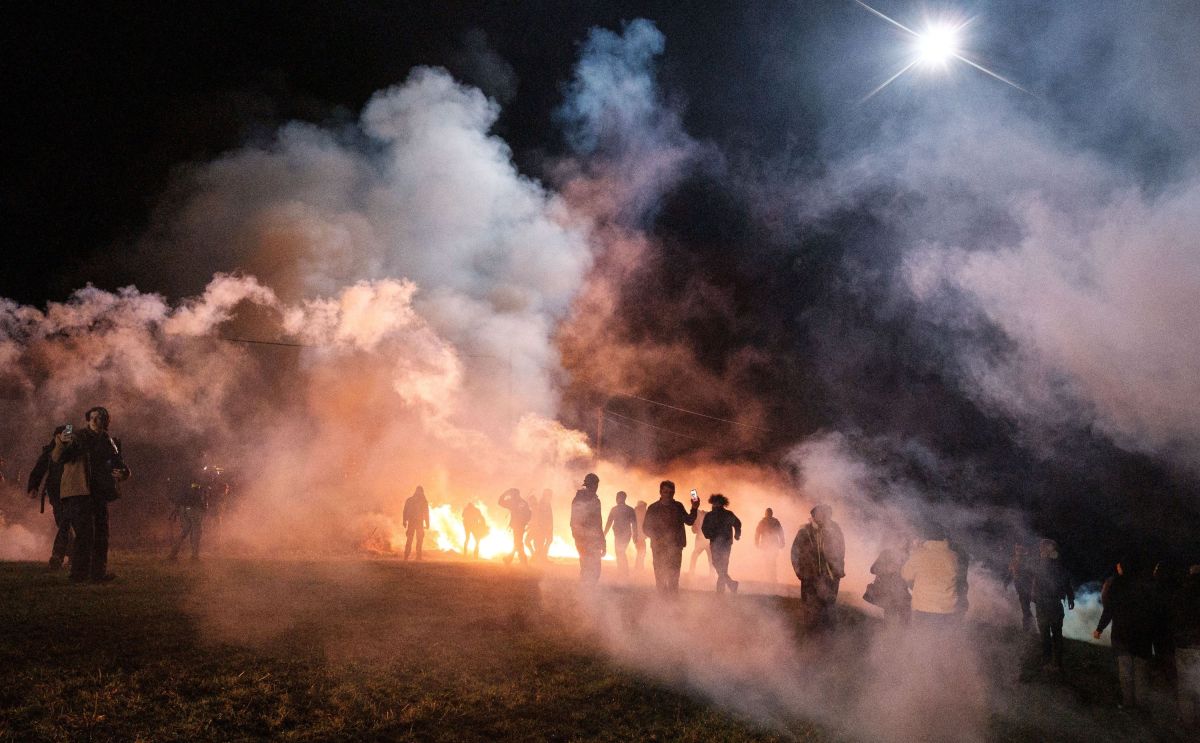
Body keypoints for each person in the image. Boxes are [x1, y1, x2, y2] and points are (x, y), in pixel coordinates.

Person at [52, 406, 130, 583]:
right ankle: (78, 575)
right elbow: (58, 458)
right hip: (79, 491)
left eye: (100, 418)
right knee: (85, 534)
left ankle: (98, 574)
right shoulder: (77, 436)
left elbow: (120, 464)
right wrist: (60, 442)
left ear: (106, 422)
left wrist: (124, 473)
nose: (95, 421)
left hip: (99, 492)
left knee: (102, 534)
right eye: (93, 417)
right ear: (88, 420)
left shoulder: (108, 441)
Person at [1093, 555, 1155, 709]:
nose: (1118, 568)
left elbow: (1109, 609)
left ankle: (1128, 703)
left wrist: (1099, 629)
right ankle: (1142, 705)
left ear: (1123, 568)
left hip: (1123, 635)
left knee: (1126, 671)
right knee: (1141, 672)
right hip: (1143, 636)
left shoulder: (1117, 584)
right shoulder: (1147, 584)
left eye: (1119, 566)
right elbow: (1154, 611)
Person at [791, 504, 845, 629]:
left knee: (828, 605)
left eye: (826, 514)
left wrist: (838, 569)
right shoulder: (805, 531)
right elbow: (795, 552)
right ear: (813, 516)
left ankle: (827, 636)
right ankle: (810, 635)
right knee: (810, 606)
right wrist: (799, 571)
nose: (824, 516)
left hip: (830, 575)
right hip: (809, 575)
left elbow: (841, 550)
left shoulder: (835, 530)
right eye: (820, 514)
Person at [901, 526, 966, 628]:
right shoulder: (953, 556)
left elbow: (905, 574)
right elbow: (960, 580)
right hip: (949, 609)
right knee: (945, 641)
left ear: (925, 537)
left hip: (923, 608)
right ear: (944, 537)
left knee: (923, 640)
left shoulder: (919, 555)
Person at [642, 481, 699, 594]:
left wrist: (694, 507)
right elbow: (646, 528)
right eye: (665, 492)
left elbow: (689, 521)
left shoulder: (678, 506)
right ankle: (662, 602)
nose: (668, 494)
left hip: (675, 547)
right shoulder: (653, 508)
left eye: (670, 492)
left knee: (673, 576)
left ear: (674, 493)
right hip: (658, 547)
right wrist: (658, 538)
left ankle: (673, 603)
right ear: (660, 492)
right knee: (660, 575)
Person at [26, 426, 70, 569]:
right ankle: (73, 555)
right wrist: (33, 487)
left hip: (73, 493)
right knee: (63, 523)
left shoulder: (74, 449)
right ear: (57, 436)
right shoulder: (50, 452)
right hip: (57, 493)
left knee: (65, 524)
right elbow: (39, 469)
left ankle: (58, 555)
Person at [1030, 539, 1074, 672]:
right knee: (1056, 635)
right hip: (1053, 605)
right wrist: (1071, 598)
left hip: (1046, 605)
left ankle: (1049, 662)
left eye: (1042, 549)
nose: (1040, 551)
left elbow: (1036, 584)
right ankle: (1056, 664)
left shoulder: (1043, 566)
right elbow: (1067, 583)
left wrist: (1034, 597)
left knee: (1046, 635)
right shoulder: (1059, 566)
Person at [701, 494, 742, 593]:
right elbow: (704, 528)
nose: (716, 505)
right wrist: (709, 535)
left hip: (726, 543)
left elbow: (737, 524)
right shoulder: (709, 515)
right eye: (715, 503)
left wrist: (737, 534)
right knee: (716, 563)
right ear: (712, 503)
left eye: (718, 503)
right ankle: (731, 584)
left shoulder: (728, 514)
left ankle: (720, 590)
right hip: (714, 543)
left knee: (723, 565)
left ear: (722, 504)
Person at [1176, 565, 1200, 726]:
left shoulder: (1182, 593)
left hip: (1185, 644)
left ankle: (1188, 721)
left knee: (1185, 684)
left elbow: (1174, 618)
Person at [571, 473, 605, 584]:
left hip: (594, 540)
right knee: (586, 567)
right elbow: (574, 521)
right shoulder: (579, 500)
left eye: (596, 485)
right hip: (584, 539)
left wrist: (602, 542)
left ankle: (590, 591)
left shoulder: (596, 500)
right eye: (594, 485)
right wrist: (580, 538)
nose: (595, 488)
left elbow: (599, 523)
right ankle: (585, 592)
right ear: (589, 485)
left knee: (595, 569)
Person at [867, 543, 912, 624]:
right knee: (890, 618)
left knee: (906, 616)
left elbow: (911, 577)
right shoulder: (886, 554)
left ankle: (903, 634)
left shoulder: (908, 556)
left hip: (902, 593)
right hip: (887, 593)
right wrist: (887, 568)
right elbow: (873, 569)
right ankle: (889, 633)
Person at [168, 481, 208, 561]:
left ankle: (173, 553)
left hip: (183, 508)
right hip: (193, 507)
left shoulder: (185, 480)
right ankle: (194, 556)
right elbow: (198, 492)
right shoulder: (198, 479)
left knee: (185, 531)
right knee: (196, 532)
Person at [603, 490, 637, 578]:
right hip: (622, 534)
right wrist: (634, 535)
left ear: (619, 498)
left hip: (623, 534)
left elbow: (609, 522)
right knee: (620, 552)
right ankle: (622, 572)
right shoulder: (629, 509)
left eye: (618, 497)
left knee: (620, 552)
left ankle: (623, 572)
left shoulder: (616, 509)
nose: (617, 499)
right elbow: (634, 523)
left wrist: (604, 534)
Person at [1003, 542, 1035, 632]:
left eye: (1020, 550)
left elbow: (1033, 575)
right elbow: (1010, 574)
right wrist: (1005, 583)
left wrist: (1034, 588)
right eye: (1017, 549)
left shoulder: (1028, 561)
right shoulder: (1014, 561)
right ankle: (1029, 627)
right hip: (1021, 589)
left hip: (1029, 588)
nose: (1018, 552)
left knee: (1026, 607)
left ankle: (1028, 627)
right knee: (1025, 608)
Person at [498, 488, 531, 565]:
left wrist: (505, 493)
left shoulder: (513, 503)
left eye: (511, 495)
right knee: (517, 542)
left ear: (514, 495)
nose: (510, 496)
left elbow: (500, 502)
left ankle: (522, 560)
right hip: (521, 526)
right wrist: (524, 523)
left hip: (517, 526)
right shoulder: (523, 502)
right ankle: (510, 558)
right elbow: (528, 514)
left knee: (517, 542)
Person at [754, 507, 786, 584]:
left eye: (769, 513)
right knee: (769, 561)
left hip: (772, 545)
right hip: (767, 544)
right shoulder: (765, 522)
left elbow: (780, 532)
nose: (769, 514)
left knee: (771, 561)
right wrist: (756, 542)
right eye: (768, 513)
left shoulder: (772, 522)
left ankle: (772, 578)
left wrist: (782, 542)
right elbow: (757, 533)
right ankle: (770, 578)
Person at [402, 486, 430, 561]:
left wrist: (404, 521)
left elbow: (405, 511)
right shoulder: (423, 501)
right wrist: (427, 524)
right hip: (417, 522)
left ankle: (408, 556)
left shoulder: (410, 500)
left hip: (414, 522)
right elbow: (426, 513)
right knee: (417, 539)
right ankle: (415, 556)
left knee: (413, 539)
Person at [689, 507, 712, 575]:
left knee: (710, 558)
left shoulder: (708, 515)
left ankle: (712, 574)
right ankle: (691, 573)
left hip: (707, 541)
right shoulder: (698, 517)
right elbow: (694, 530)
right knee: (695, 556)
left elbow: (694, 531)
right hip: (702, 541)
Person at [633, 499, 648, 571]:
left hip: (640, 537)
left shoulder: (639, 513)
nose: (645, 508)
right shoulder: (638, 513)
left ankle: (639, 567)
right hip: (639, 537)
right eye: (644, 506)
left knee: (641, 552)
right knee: (641, 552)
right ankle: (639, 568)